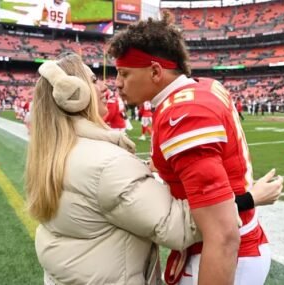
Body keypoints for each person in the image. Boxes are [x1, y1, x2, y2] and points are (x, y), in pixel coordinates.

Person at [108, 15, 283, 285]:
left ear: (155, 72)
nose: (117, 83)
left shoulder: (184, 113)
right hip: (237, 241)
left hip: (219, 253)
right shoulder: (203, 87)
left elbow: (222, 234)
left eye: (124, 73)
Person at [25, 52, 201, 285]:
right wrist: (245, 198)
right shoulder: (108, 164)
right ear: (72, 94)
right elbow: (178, 227)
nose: (106, 86)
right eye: (94, 80)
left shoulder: (52, 153)